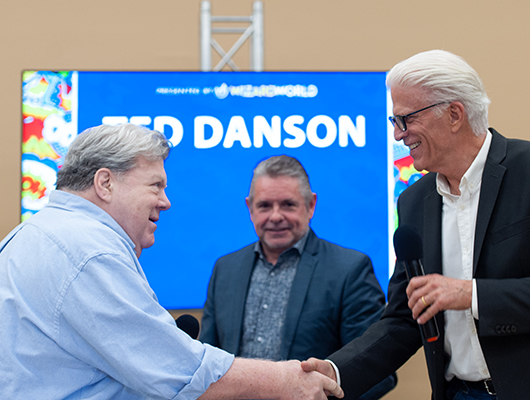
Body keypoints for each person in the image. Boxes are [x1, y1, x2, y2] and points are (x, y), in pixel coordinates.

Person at [302, 50, 530, 400]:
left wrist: (470, 295)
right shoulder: (413, 202)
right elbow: (404, 319)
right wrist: (337, 371)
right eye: (394, 121)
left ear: (454, 114)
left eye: (406, 120)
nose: (398, 135)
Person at [0, 124, 342, 400]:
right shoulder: (89, 252)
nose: (165, 201)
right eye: (156, 185)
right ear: (105, 183)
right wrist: (287, 380)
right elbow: (181, 374)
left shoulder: (30, 235)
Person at [200, 155, 396, 400]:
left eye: (288, 205)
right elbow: (206, 367)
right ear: (250, 208)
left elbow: (377, 371)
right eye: (264, 206)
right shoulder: (225, 269)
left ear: (311, 205)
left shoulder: (349, 270)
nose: (275, 216)